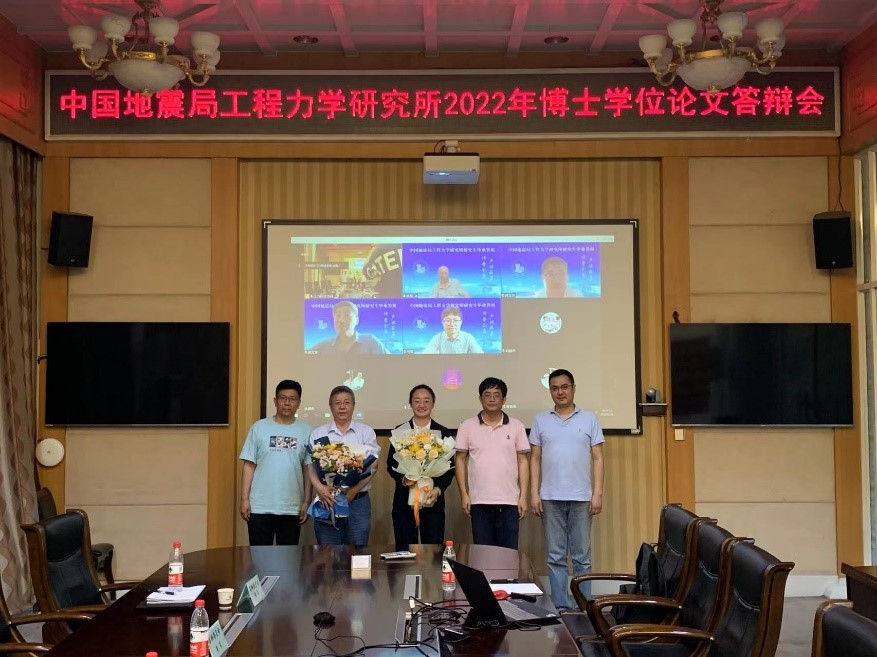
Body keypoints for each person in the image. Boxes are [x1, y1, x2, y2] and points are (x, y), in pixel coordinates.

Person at [530, 368, 605, 610]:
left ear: (573, 389)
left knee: (582, 557)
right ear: (550, 391)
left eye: (564, 387)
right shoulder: (540, 419)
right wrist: (534, 493)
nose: (560, 392)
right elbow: (534, 458)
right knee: (555, 556)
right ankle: (561, 605)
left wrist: (597, 493)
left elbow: (598, 458)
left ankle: (584, 606)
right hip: (550, 498)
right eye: (555, 388)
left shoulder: (589, 419)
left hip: (582, 498)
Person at [454, 377, 529, 549]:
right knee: (483, 553)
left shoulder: (516, 426)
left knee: (509, 553)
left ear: (504, 399)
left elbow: (523, 461)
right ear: (480, 399)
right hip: (479, 501)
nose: (492, 399)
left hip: (509, 501)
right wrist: (464, 494)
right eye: (487, 395)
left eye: (497, 395)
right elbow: (460, 459)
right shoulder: (467, 426)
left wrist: (523, 496)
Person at [239, 380, 313, 546]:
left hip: (292, 507)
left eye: (292, 399)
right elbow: (249, 465)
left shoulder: (307, 431)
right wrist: (244, 499)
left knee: (288, 558)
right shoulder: (259, 427)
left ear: (299, 403)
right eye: (282, 398)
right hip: (260, 506)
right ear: (275, 401)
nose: (287, 403)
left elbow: (309, 469)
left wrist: (306, 501)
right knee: (260, 557)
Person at [306, 385, 380, 546]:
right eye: (337, 403)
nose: (342, 407)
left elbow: (373, 466)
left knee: (358, 551)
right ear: (330, 406)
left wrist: (354, 490)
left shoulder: (366, 432)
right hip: (328, 500)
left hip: (358, 501)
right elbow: (310, 466)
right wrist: (320, 488)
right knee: (327, 551)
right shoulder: (319, 433)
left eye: (346, 402)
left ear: (353, 405)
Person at [388, 384, 455, 547]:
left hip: (433, 501)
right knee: (404, 551)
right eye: (417, 401)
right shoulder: (400, 431)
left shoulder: (443, 432)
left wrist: (437, 490)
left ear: (433, 404)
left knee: (432, 551)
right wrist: (405, 480)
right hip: (404, 502)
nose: (422, 405)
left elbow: (450, 469)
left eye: (426, 401)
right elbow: (391, 464)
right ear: (410, 403)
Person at [312, 300, 387, 354]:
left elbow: (391, 362)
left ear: (357, 320)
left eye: (347, 315)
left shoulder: (370, 341)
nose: (341, 320)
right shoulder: (323, 346)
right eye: (338, 316)